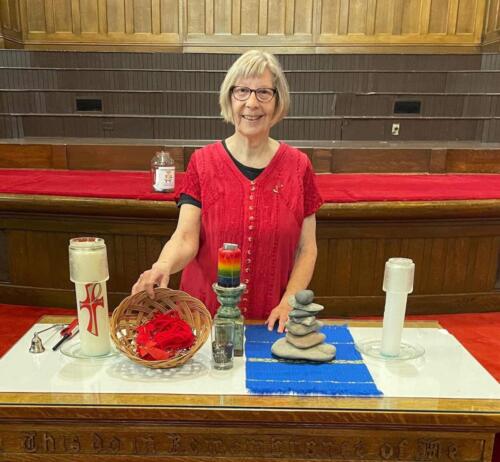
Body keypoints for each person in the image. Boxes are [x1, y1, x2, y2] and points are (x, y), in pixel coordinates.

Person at [132, 50, 323, 332]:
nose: (252, 103)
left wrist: (289, 302)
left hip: (269, 321)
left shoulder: (299, 166)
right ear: (229, 97)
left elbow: (307, 250)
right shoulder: (202, 162)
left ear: (277, 100)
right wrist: (162, 265)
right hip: (204, 320)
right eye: (242, 91)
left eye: (263, 92)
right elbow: (185, 237)